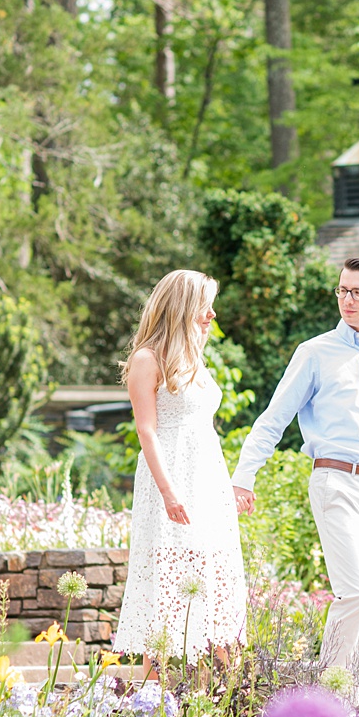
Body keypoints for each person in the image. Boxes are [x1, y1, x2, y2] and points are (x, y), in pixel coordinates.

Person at [231, 256, 359, 670]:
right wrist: (243, 477)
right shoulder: (315, 353)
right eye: (343, 290)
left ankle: (349, 711)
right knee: (356, 593)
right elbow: (273, 419)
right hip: (335, 482)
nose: (347, 299)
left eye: (357, 292)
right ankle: (329, 697)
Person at [112, 270, 247, 674]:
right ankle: (157, 696)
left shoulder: (193, 356)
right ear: (184, 306)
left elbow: (201, 427)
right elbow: (146, 429)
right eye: (205, 305)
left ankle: (232, 694)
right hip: (169, 478)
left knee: (218, 575)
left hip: (207, 478)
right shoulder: (146, 359)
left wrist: (227, 490)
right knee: (168, 579)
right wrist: (170, 492)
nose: (212, 314)